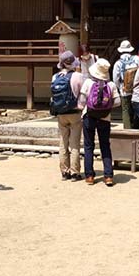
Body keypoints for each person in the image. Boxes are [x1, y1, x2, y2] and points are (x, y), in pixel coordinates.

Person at [79, 58, 120, 186]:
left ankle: (89, 176)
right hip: (105, 118)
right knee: (105, 146)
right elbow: (118, 102)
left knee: (88, 146)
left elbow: (81, 102)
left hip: (89, 116)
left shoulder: (88, 83)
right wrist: (106, 107)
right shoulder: (111, 85)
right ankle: (108, 176)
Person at [51, 51, 84, 181]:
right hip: (75, 112)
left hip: (61, 113)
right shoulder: (78, 76)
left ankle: (64, 172)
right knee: (75, 143)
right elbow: (83, 93)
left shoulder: (55, 77)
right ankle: (75, 172)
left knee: (63, 143)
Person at [112, 39, 139, 129]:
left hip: (124, 89)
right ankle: (137, 128)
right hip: (137, 89)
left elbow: (115, 79)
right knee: (137, 108)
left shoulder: (118, 63)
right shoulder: (136, 59)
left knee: (126, 110)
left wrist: (120, 87)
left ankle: (128, 129)